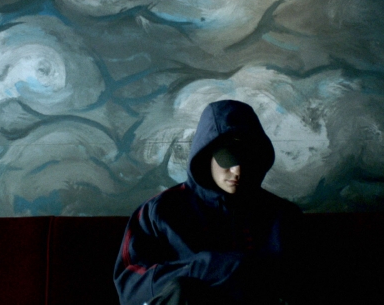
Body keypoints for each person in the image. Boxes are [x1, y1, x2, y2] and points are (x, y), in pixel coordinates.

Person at [114, 100, 303, 305]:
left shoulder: (283, 216)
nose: (237, 171)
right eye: (227, 157)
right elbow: (130, 288)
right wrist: (206, 267)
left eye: (246, 157)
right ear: (206, 156)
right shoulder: (159, 212)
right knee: (181, 289)